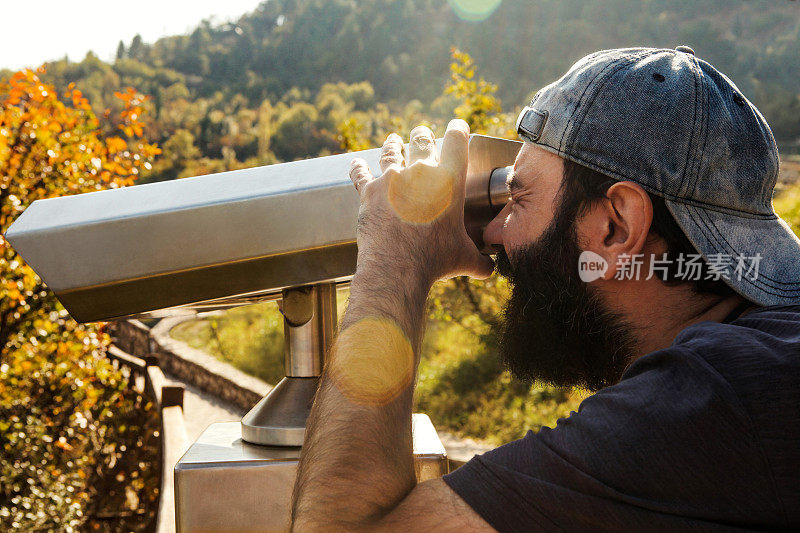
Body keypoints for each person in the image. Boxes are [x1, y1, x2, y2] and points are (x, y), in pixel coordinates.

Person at [290, 47, 800, 531]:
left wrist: (393, 255)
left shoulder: (710, 402)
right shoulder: (761, 371)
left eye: (519, 198)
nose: (493, 234)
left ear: (615, 228)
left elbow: (342, 527)